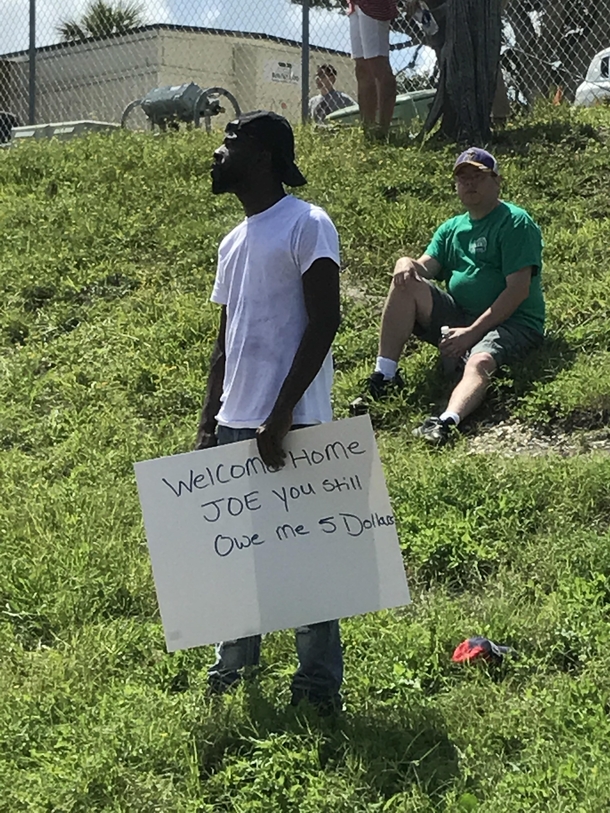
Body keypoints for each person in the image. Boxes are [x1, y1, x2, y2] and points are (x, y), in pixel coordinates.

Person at [195, 110, 343, 712]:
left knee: (305, 561)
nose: (217, 153)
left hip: (294, 421)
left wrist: (281, 413)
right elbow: (226, 338)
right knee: (238, 556)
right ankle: (233, 668)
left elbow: (325, 321)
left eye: (230, 143)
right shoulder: (232, 241)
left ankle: (315, 689)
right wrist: (209, 421)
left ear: (262, 155)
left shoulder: (307, 225)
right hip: (236, 419)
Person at [351, 147, 545, 446]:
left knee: (479, 360)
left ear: (497, 181)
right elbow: (426, 267)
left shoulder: (515, 222)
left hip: (513, 322)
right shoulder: (453, 228)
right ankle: (384, 377)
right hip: (462, 316)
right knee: (405, 283)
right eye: (462, 178)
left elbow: (518, 291)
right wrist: (406, 262)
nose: (469, 183)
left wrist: (471, 334)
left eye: (478, 176)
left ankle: (446, 421)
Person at [348, 0, 398, 136]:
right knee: (362, 68)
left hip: (375, 6)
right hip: (355, 6)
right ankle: (368, 130)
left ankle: (383, 130)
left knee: (379, 65)